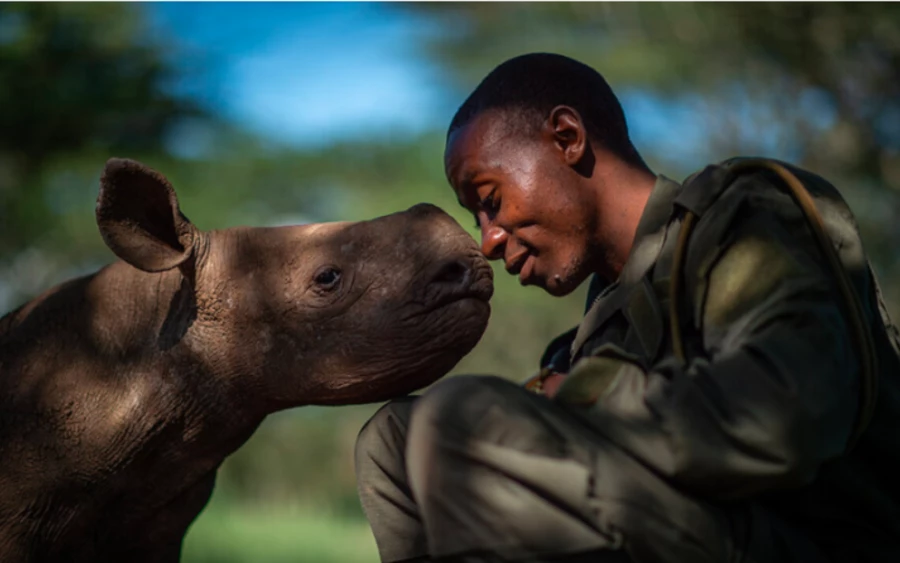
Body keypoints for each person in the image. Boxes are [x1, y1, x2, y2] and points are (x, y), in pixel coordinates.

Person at [354, 53, 900, 563]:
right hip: (693, 528)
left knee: (461, 417)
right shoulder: (587, 336)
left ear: (567, 137)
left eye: (491, 200)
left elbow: (788, 416)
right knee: (394, 437)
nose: (489, 240)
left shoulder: (745, 215)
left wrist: (589, 398)